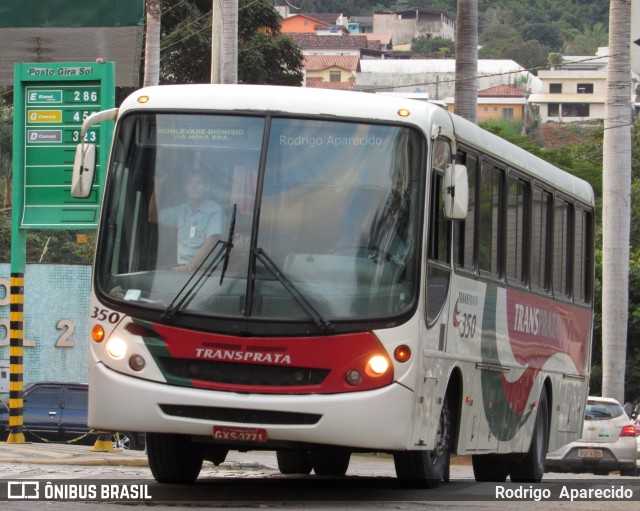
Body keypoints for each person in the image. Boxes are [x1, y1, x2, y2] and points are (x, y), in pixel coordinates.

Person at [149, 169, 225, 271]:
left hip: (207, 272)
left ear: (207, 187)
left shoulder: (215, 210)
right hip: (184, 271)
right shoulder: (181, 210)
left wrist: (189, 266)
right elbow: (153, 217)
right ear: (185, 187)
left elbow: (212, 241)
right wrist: (157, 186)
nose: (194, 187)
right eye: (190, 183)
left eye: (199, 183)